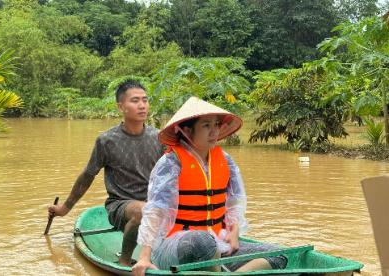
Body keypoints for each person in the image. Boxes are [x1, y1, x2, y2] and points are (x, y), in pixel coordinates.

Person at [132, 97, 287, 275]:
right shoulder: (171, 162)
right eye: (206, 126)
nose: (214, 131)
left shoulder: (225, 160)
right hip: (175, 246)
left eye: (216, 125)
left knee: (279, 255)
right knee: (202, 241)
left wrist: (234, 232)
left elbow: (235, 203)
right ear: (188, 131)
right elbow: (155, 211)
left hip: (218, 243)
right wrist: (144, 257)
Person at [48, 80, 164, 267]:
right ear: (121, 107)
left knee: (158, 209)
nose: (142, 105)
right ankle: (125, 260)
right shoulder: (107, 141)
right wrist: (65, 209)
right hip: (120, 205)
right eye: (135, 101)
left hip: (154, 204)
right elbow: (88, 176)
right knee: (144, 210)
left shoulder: (159, 138)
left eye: (145, 100)